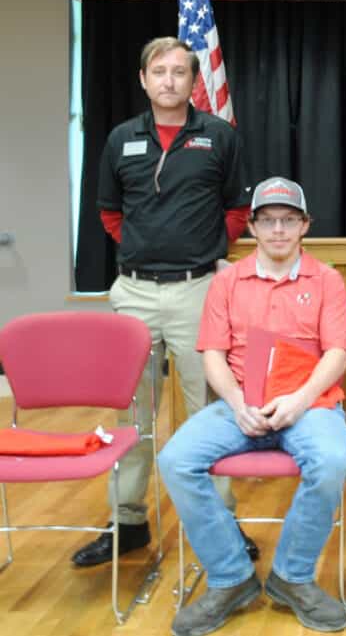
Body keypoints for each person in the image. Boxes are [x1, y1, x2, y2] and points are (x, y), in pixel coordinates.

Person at [80, 36, 255, 567]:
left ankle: (221, 521)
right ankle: (127, 521)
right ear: (143, 79)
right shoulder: (120, 139)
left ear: (193, 80)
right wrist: (146, 251)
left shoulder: (218, 137)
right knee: (131, 411)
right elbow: (111, 214)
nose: (169, 81)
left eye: (180, 72)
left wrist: (199, 249)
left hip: (198, 290)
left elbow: (237, 208)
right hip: (133, 293)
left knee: (210, 411)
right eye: (159, 71)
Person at [158, 177, 346, 635]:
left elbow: (337, 353)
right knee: (175, 459)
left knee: (330, 461)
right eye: (268, 221)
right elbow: (212, 354)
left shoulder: (327, 280)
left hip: (309, 403)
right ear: (252, 227)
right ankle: (230, 577)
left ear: (305, 226)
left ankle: (293, 577)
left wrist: (301, 399)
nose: (279, 230)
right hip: (241, 402)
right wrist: (237, 401)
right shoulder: (228, 282)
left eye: (289, 220)